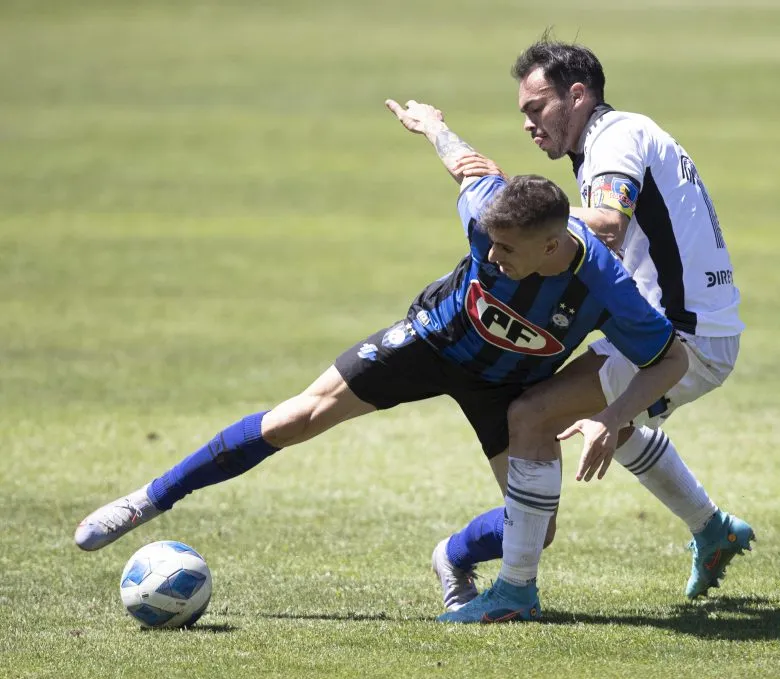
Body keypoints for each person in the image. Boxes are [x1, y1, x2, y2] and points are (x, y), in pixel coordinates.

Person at [74, 98, 691, 624]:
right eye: (491, 242)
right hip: (428, 341)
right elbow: (470, 168)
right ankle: (149, 500)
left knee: (536, 530)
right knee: (298, 417)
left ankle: (452, 556)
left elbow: (669, 361)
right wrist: (432, 125)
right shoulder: (487, 216)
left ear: (554, 245)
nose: (492, 253)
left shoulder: (610, 290)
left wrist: (615, 417)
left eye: (507, 249)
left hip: (506, 387)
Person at [425, 38, 755, 619]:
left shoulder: (614, 141)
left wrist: (509, 209)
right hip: (694, 324)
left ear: (578, 96)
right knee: (596, 418)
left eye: (537, 108)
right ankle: (713, 528)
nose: (528, 124)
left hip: (683, 336)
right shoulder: (619, 134)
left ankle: (515, 591)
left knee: (531, 415)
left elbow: (603, 226)